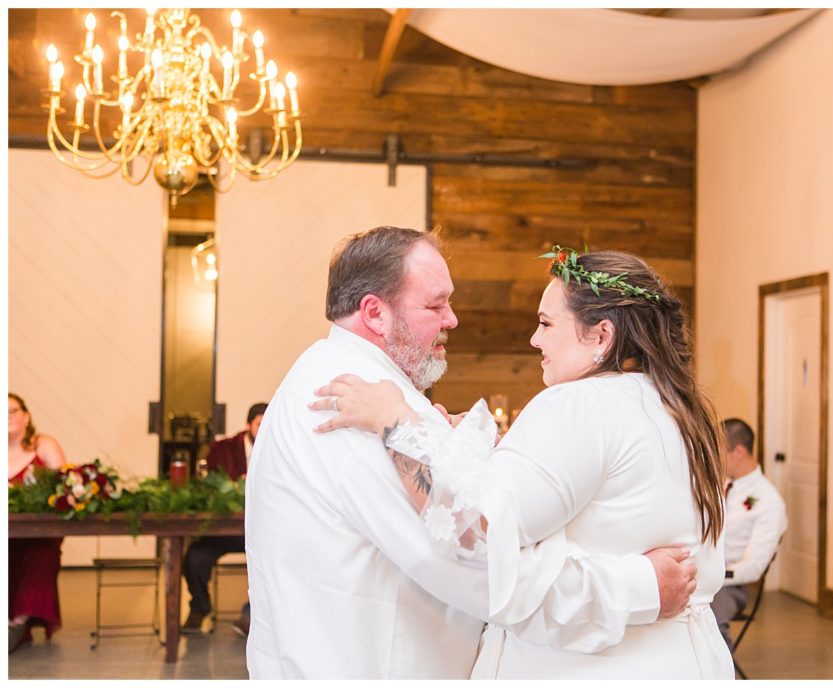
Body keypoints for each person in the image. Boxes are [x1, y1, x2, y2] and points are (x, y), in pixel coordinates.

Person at [244, 227, 698, 679]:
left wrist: (446, 442)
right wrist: (640, 587)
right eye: (435, 304)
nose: (452, 319)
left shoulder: (358, 386)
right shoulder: (350, 400)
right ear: (374, 313)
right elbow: (476, 560)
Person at [182, 402, 267, 637]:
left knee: (274, 559)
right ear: (248, 425)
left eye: (267, 424)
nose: (263, 429)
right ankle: (200, 607)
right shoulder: (224, 449)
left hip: (263, 531)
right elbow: (207, 483)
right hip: (227, 528)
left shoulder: (277, 448)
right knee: (195, 556)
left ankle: (252, 614)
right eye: (259, 424)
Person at [709, 418, 787, 646]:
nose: (713, 456)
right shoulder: (715, 485)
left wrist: (713, 574)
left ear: (739, 452)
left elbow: (753, 567)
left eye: (718, 450)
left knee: (710, 618)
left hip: (730, 585)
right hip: (696, 573)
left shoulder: (769, 502)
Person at [8, 393, 67, 654]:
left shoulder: (43, 445)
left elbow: (65, 489)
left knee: (38, 554)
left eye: (12, 411)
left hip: (40, 532)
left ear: (26, 416)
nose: (6, 417)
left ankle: (15, 625)